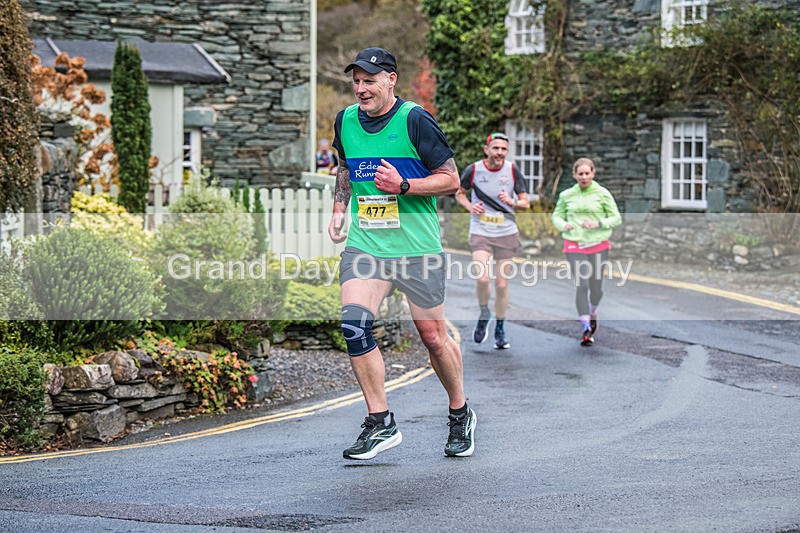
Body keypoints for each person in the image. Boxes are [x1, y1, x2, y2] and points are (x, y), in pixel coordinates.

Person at [328, 47, 476, 460]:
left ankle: (460, 411)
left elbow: (450, 180)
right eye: (356, 81)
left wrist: (405, 186)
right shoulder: (345, 120)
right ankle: (381, 423)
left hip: (416, 248)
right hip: (368, 244)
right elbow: (344, 167)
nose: (361, 88)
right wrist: (340, 207)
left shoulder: (415, 119)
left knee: (432, 337)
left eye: (370, 80)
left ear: (391, 79)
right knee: (354, 326)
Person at [454, 132, 530, 349]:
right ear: (487, 149)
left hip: (506, 231)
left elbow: (526, 202)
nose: (500, 153)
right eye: (496, 148)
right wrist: (470, 207)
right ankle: (484, 311)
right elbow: (459, 193)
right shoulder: (474, 169)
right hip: (481, 231)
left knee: (502, 284)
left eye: (504, 149)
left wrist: (512, 201)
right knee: (483, 279)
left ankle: (500, 327)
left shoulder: (512, 170)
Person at [551, 157, 622, 346]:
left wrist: (598, 223)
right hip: (574, 243)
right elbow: (556, 215)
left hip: (598, 243)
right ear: (574, 175)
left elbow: (616, 217)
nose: (584, 177)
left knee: (595, 287)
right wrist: (563, 225)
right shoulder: (567, 195)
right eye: (580, 174)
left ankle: (593, 311)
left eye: (587, 173)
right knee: (581, 285)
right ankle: (585, 328)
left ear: (593, 173)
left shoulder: (602, 193)